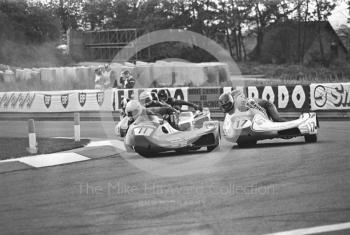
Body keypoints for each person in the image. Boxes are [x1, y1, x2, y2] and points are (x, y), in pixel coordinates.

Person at [218, 89, 286, 122]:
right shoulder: (232, 111)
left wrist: (267, 121)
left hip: (267, 105)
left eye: (226, 105)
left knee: (277, 119)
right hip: (259, 106)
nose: (225, 108)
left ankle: (294, 126)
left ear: (231, 102)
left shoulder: (244, 103)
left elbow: (259, 110)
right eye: (223, 106)